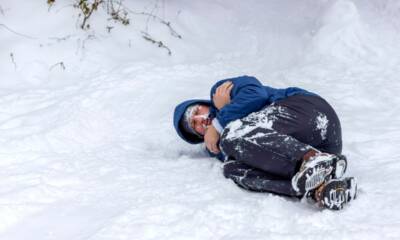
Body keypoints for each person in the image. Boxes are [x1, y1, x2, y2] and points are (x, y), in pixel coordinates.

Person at [173, 75, 357, 210]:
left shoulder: (220, 91)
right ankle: (319, 187)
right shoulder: (219, 145)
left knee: (232, 135)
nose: (200, 119)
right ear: (198, 136)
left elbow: (256, 94)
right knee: (233, 169)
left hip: (308, 111)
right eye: (194, 124)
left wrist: (220, 120)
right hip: (323, 147)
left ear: (203, 103)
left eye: (196, 111)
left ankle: (311, 159)